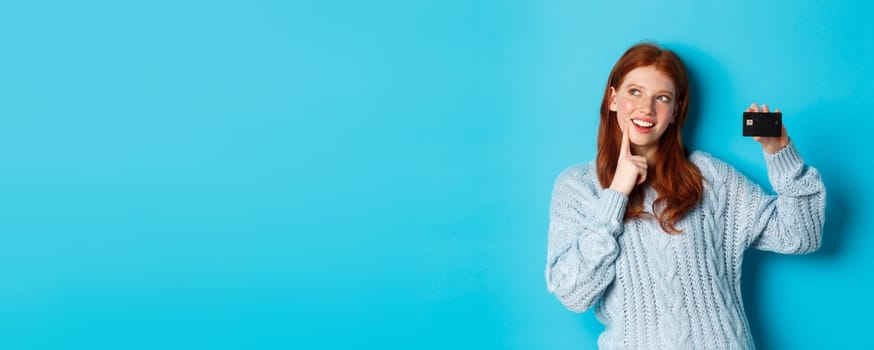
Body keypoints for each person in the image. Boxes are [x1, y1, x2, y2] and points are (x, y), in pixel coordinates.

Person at [544, 42, 825, 349]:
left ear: (675, 111)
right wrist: (616, 195)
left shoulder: (710, 176)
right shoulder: (577, 186)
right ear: (613, 99)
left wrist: (778, 152)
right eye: (634, 92)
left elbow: (802, 235)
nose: (646, 108)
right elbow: (572, 293)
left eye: (661, 98)